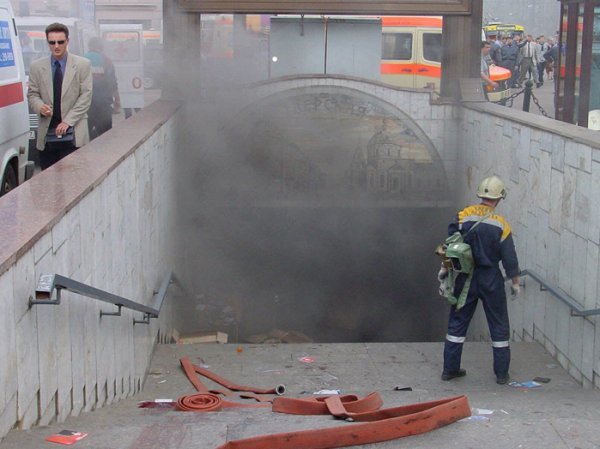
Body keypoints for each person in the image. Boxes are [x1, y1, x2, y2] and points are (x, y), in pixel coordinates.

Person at [438, 176, 520, 385]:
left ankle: (449, 370)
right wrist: (515, 282)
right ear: (500, 198)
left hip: (466, 277)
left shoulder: (463, 216)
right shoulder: (501, 225)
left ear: (480, 195)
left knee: (457, 323)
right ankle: (501, 374)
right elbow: (509, 257)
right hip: (491, 278)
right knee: (498, 325)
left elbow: (450, 245)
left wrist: (445, 269)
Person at [27, 22, 92, 170]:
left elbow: (86, 97)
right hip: (47, 135)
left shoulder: (82, 65)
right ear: (47, 43)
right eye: (52, 42)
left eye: (60, 42)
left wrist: (67, 122)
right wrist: (40, 106)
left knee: (74, 181)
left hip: (74, 135)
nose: (56, 46)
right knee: (48, 183)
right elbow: (32, 94)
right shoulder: (37, 67)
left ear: (67, 41)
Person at [84, 37, 119, 140]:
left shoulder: (82, 59)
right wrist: (117, 101)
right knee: (105, 136)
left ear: (89, 46)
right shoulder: (106, 60)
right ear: (101, 46)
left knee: (85, 135)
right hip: (103, 104)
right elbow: (112, 82)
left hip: (86, 104)